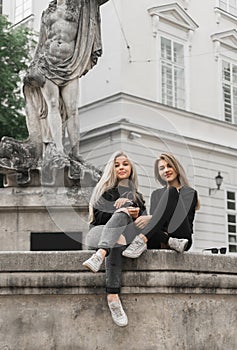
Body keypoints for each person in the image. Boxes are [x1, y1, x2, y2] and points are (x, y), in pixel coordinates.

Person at [23, 0, 109, 159]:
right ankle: (58, 149)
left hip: (71, 64)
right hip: (47, 62)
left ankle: (75, 152)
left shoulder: (81, 5)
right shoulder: (48, 11)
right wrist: (34, 64)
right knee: (53, 104)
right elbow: (42, 40)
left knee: (72, 109)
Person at [82, 151, 146, 327]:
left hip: (123, 238)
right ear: (112, 169)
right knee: (119, 226)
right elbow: (98, 218)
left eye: (125, 164)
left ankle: (101, 260)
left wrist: (135, 213)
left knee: (121, 231)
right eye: (117, 165)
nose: (121, 168)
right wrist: (119, 210)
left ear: (131, 167)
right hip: (98, 233)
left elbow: (144, 223)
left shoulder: (137, 196)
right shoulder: (104, 191)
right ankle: (112, 294)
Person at [122, 152, 200, 258]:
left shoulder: (189, 193)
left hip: (182, 238)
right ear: (158, 173)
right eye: (162, 168)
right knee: (135, 222)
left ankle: (141, 240)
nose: (166, 170)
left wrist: (151, 218)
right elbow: (155, 224)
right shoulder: (156, 194)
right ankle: (168, 241)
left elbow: (179, 220)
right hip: (160, 238)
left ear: (176, 168)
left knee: (171, 191)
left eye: (169, 166)